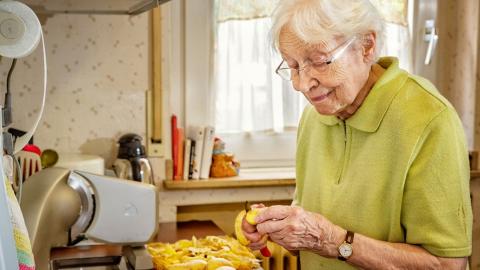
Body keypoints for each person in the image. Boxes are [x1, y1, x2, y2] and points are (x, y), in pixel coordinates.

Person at [241, 0, 472, 269]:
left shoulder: (430, 119)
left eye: (320, 61)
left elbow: (446, 264)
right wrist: (279, 227)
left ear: (366, 45)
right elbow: (312, 229)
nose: (301, 84)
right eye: (292, 66)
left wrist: (332, 241)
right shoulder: (314, 117)